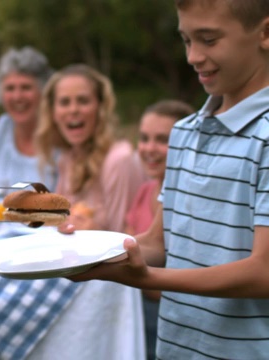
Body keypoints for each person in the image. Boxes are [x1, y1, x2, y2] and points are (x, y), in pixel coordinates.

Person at [70, 1, 269, 358]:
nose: (193, 56)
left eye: (208, 40)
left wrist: (150, 280)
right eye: (186, 39)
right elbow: (159, 242)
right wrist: (86, 251)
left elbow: (264, 272)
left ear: (265, 34)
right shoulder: (183, 132)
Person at [35, 64, 146, 233]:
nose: (73, 110)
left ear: (100, 108)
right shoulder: (67, 158)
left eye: (83, 101)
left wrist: (94, 232)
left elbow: (127, 241)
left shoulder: (119, 159)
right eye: (64, 102)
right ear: (53, 113)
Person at [124, 99, 194, 360]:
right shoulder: (145, 191)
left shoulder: (190, 199)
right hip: (136, 310)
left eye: (162, 140)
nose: (149, 149)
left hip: (173, 317)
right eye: (144, 138)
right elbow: (129, 243)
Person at [0, 46, 57, 189]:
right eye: (10, 88)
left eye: (26, 87)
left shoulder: (61, 132)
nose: (17, 97)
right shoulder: (3, 126)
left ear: (44, 91)